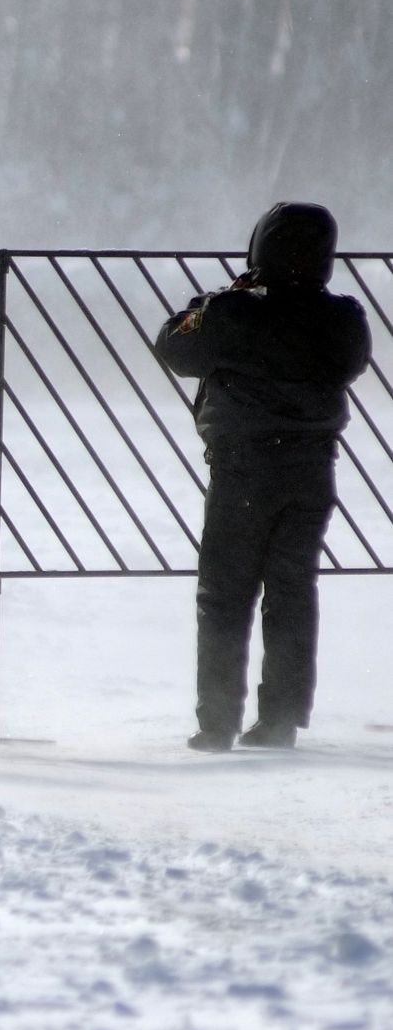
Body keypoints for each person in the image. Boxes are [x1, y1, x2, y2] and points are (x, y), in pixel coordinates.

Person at [154, 203, 371, 752]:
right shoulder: (343, 318)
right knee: (292, 593)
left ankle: (217, 722)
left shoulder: (233, 313)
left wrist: (222, 297)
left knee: (224, 594)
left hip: (245, 469)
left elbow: (173, 345)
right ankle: (281, 718)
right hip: (313, 470)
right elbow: (350, 361)